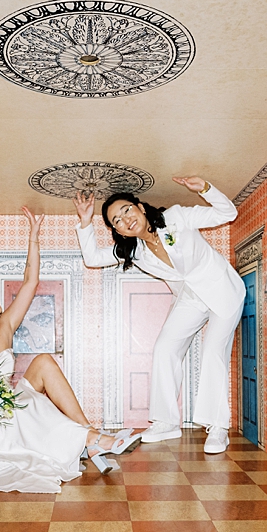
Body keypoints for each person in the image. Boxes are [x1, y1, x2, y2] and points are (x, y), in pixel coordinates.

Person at [0, 210, 138, 494]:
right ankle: (95, 441)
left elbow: (30, 282)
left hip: (6, 402)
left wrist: (33, 236)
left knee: (44, 361)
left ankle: (90, 435)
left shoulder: (5, 324)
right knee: (27, 406)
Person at [76, 176, 245, 454]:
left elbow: (228, 213)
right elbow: (92, 259)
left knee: (213, 350)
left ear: (140, 207)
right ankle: (166, 422)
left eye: (127, 210)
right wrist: (85, 221)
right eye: (116, 221)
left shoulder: (176, 217)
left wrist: (204, 188)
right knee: (165, 348)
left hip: (223, 290)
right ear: (118, 231)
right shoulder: (135, 251)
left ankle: (217, 428)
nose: (125, 220)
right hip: (190, 297)